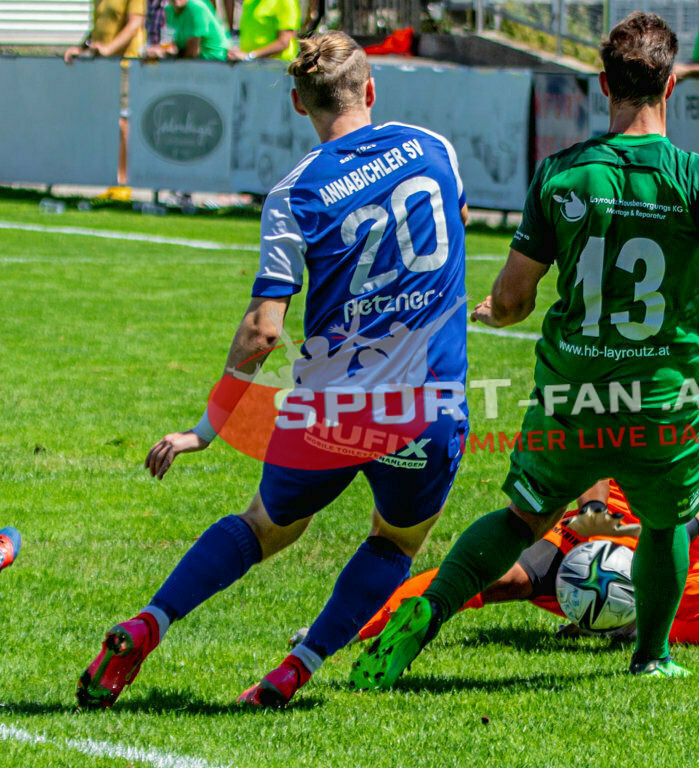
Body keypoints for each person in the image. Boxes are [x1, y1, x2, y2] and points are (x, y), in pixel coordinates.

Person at [350, 10, 699, 688]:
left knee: (519, 517)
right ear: (673, 83)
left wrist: (496, 307)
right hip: (658, 399)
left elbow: (512, 300)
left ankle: (427, 613)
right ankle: (651, 654)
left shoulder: (560, 174)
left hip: (573, 392)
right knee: (665, 522)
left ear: (604, 84)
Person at [77, 30, 471, 710]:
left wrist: (208, 426)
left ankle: (150, 623)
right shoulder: (434, 147)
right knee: (396, 540)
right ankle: (296, 669)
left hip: (332, 410)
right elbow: (454, 226)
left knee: (267, 525)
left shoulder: (294, 194)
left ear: (298, 103)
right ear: (370, 90)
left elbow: (264, 331)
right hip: (426, 408)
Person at [353, 243, 699, 648]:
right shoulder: (640, 353)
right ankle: (353, 624)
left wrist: (676, 533)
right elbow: (596, 442)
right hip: (609, 533)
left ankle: (629, 623)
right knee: (495, 572)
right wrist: (593, 513)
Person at [63, 0, 146, 198]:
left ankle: (123, 184)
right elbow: (99, 29)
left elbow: (134, 25)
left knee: (122, 121)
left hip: (126, 63)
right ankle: (111, 181)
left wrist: (109, 49)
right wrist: (82, 47)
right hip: (104, 66)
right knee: (107, 122)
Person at [146, 0, 229, 60]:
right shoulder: (169, 9)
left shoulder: (196, 7)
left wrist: (167, 54)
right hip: (196, 62)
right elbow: (175, 44)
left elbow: (192, 52)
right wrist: (159, 51)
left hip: (216, 61)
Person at [227, 0, 299, 61]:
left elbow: (284, 42)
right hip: (252, 66)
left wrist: (249, 56)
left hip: (277, 67)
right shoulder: (249, 2)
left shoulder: (286, 2)